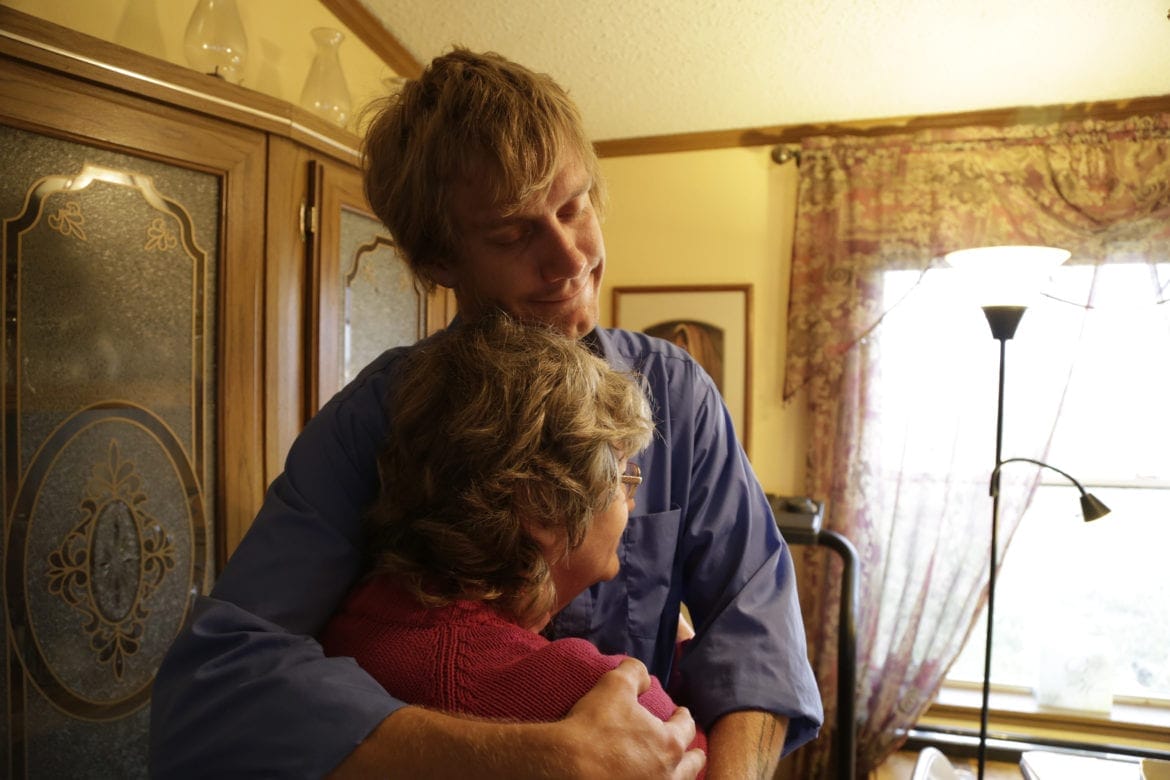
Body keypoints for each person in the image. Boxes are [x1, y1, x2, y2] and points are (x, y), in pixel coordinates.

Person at [149, 48, 822, 779]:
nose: (569, 258)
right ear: (440, 259)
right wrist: (530, 760)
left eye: (574, 208)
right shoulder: (373, 423)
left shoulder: (678, 395)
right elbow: (217, 687)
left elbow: (757, 639)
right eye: (512, 233)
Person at [319, 313, 707, 771]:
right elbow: (696, 754)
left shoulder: (348, 616)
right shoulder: (604, 696)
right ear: (544, 506)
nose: (633, 499)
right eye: (624, 475)